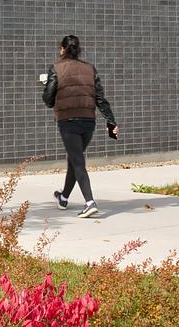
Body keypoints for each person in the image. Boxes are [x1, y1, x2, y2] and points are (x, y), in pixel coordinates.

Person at [41, 33, 119, 218]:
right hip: (88, 121)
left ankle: (90, 202)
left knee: (77, 161)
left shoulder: (56, 68)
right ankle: (64, 197)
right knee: (74, 159)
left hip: (68, 121)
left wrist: (45, 85)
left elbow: (48, 100)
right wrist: (111, 122)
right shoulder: (89, 69)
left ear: (62, 49)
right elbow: (100, 99)